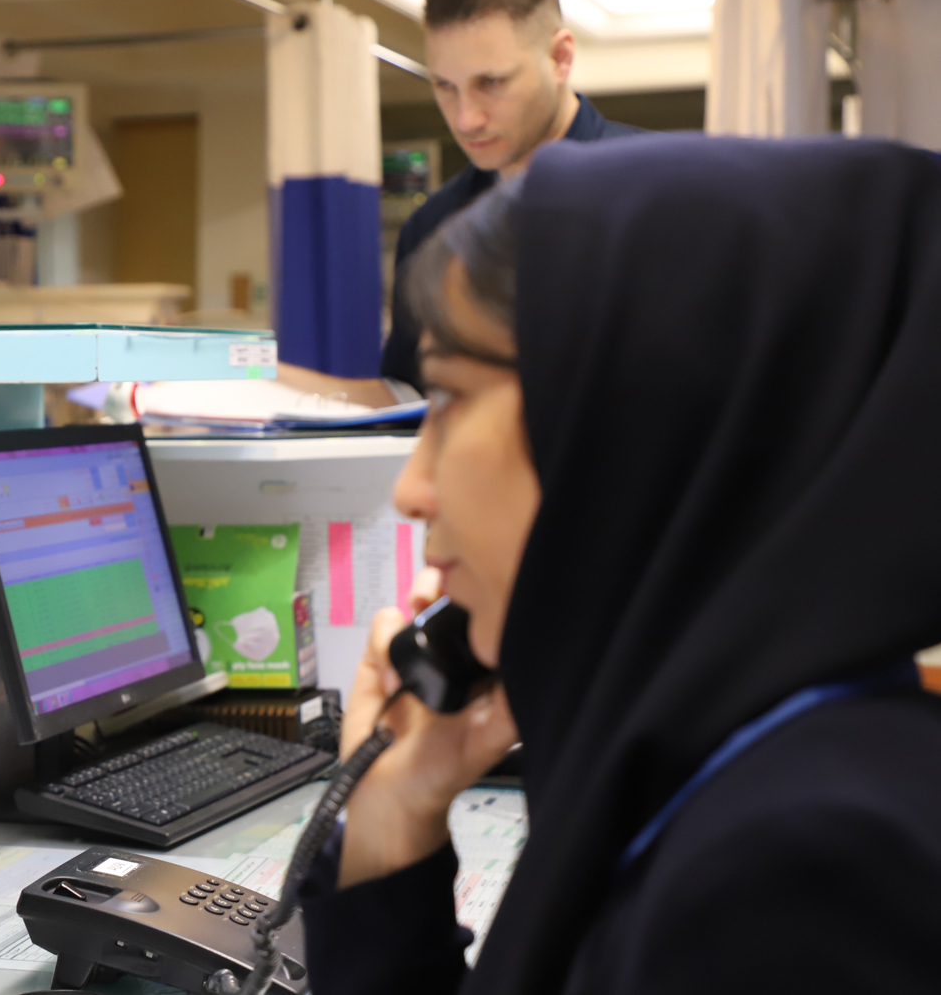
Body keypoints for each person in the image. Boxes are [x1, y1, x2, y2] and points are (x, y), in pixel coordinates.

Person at [297, 134, 941, 994]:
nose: (412, 488)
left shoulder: (799, 872)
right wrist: (389, 815)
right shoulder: (714, 755)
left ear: (636, 415)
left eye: (449, 396)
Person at [278, 0, 637, 408]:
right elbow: (412, 400)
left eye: (491, 82)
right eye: (445, 86)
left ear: (560, 58)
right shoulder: (434, 227)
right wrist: (276, 388)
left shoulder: (656, 193)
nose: (466, 119)